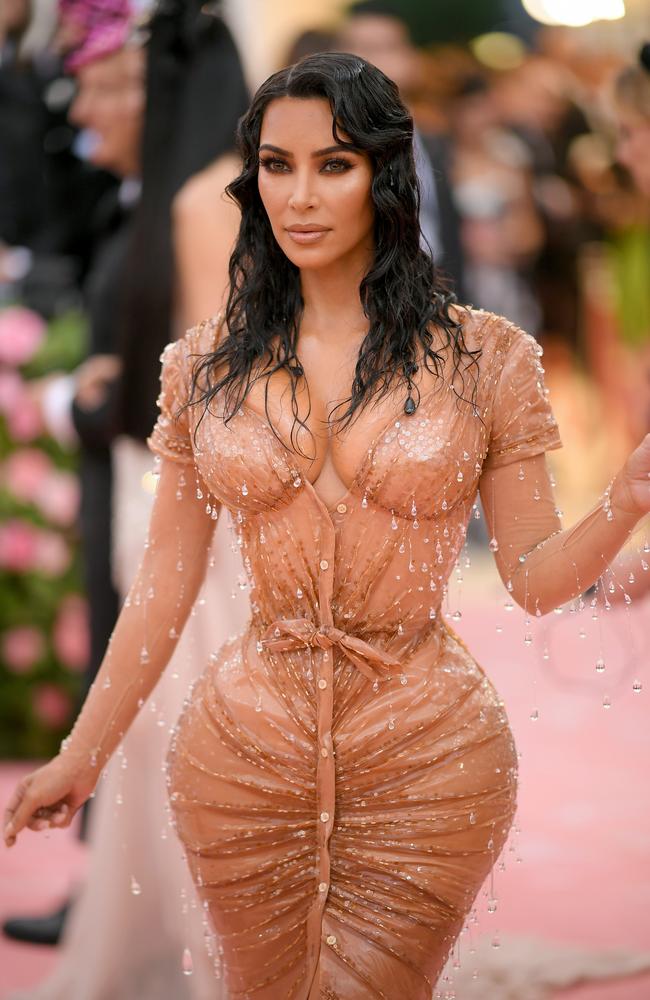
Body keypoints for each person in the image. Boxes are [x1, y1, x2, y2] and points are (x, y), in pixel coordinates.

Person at [4, 53, 650, 999]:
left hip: (430, 750)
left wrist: (627, 500)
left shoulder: (485, 357)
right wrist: (81, 754)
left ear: (384, 177)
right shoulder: (203, 370)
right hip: (240, 752)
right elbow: (161, 592)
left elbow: (536, 577)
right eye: (277, 165)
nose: (299, 196)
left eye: (334, 165)